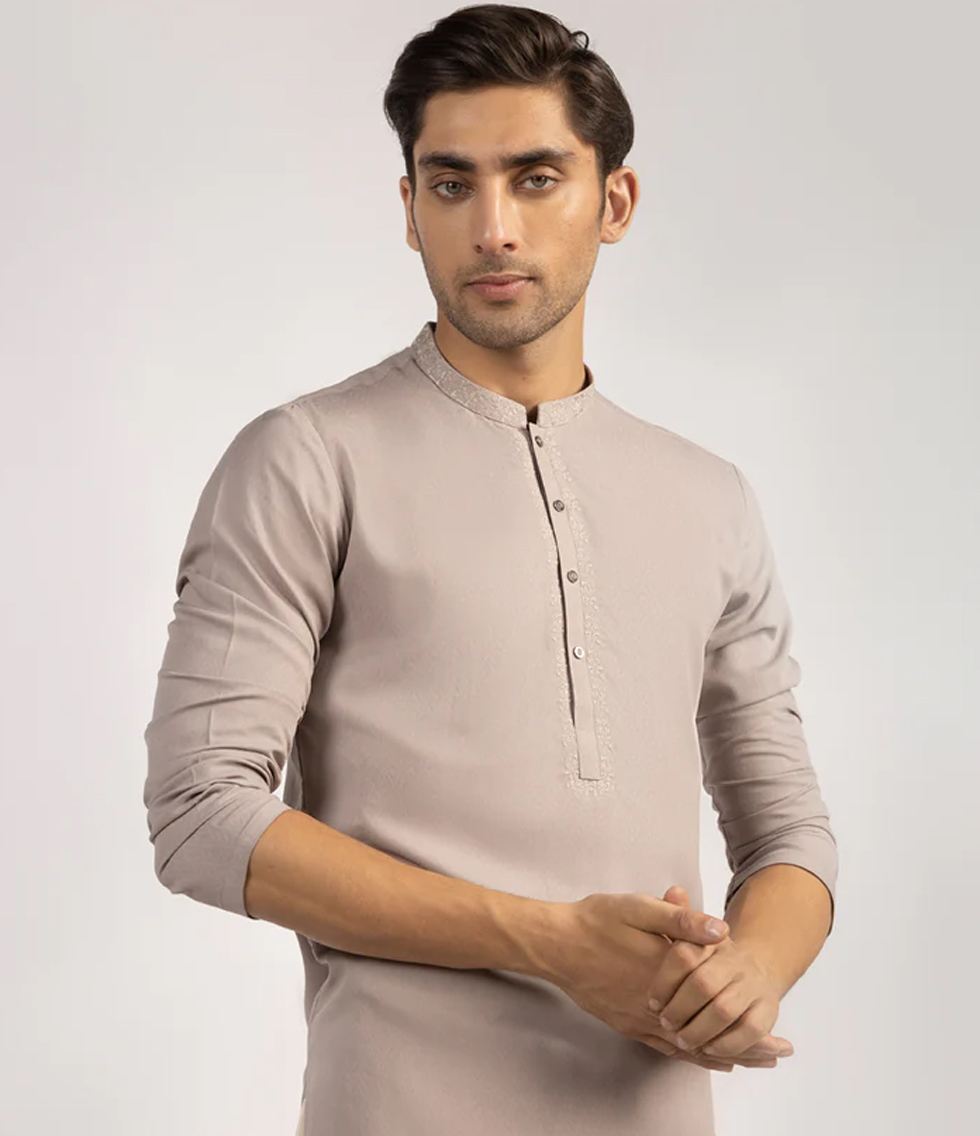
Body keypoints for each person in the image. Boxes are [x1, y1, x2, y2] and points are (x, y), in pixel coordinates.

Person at [142, 6, 838, 1134]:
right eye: (452, 184)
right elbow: (200, 813)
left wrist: (750, 968)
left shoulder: (709, 495)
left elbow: (789, 834)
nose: (493, 228)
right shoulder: (307, 458)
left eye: (536, 178)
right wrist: (552, 942)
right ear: (409, 208)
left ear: (614, 202)